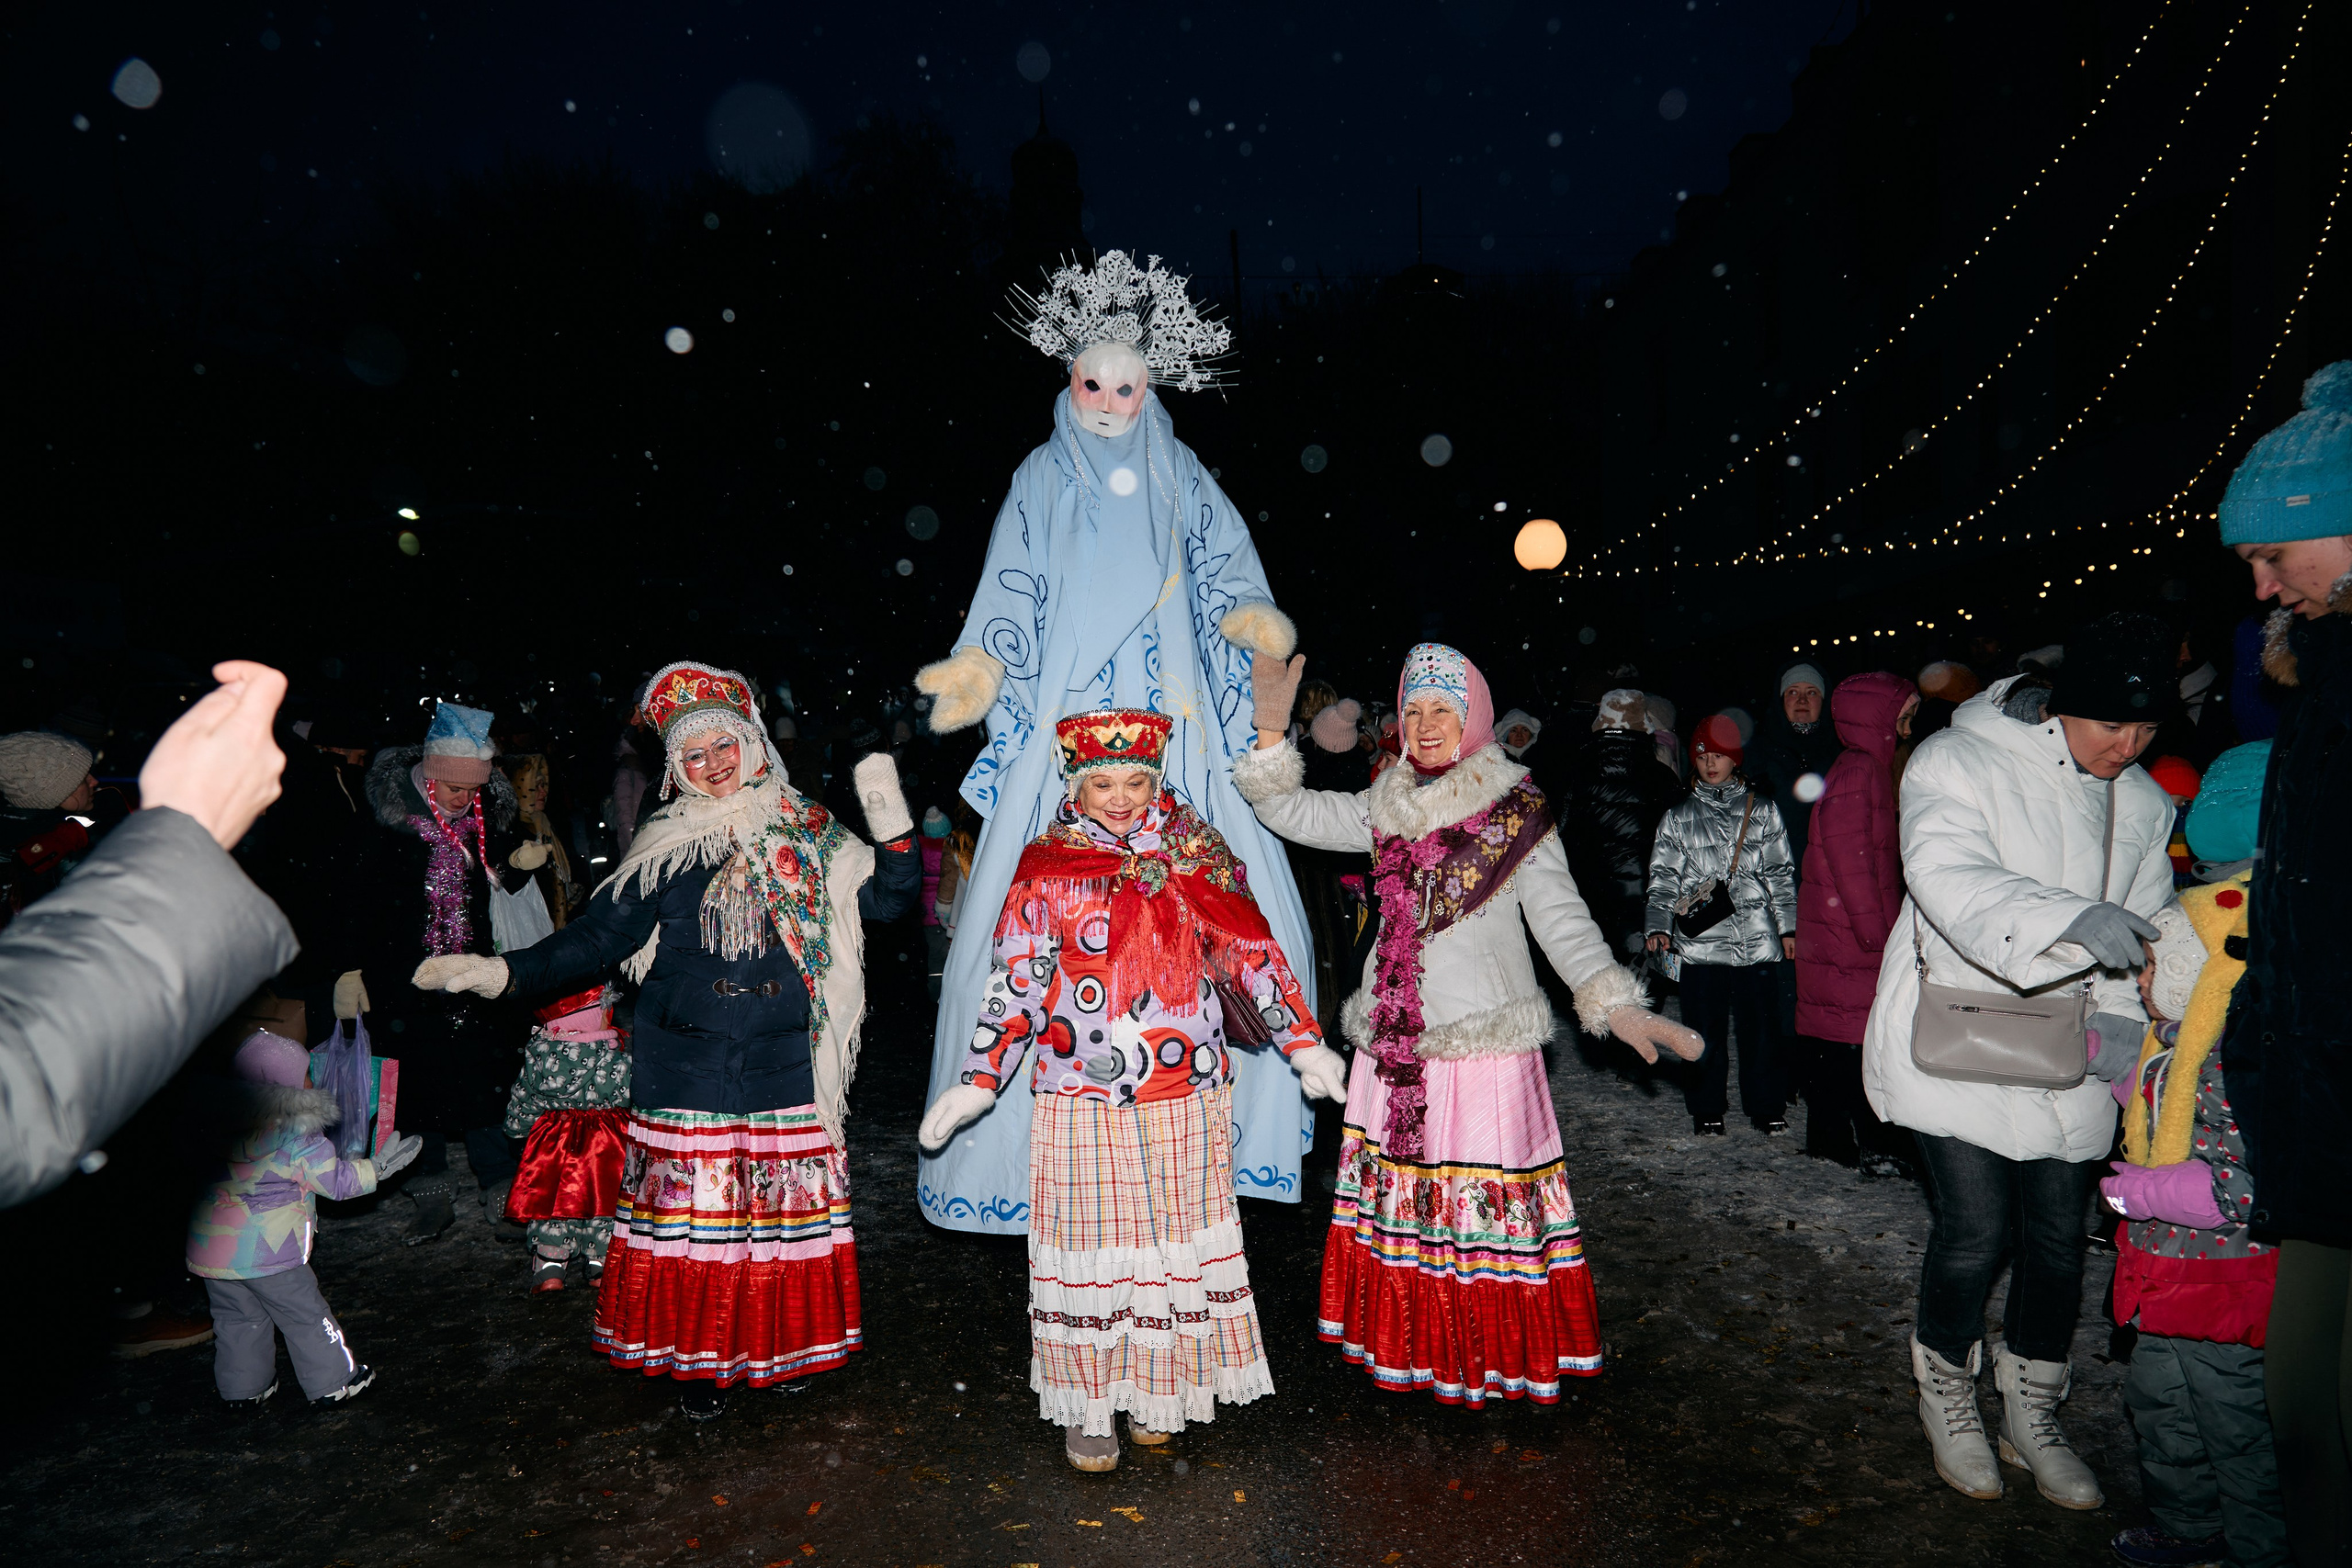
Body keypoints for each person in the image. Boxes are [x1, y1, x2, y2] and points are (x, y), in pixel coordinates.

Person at [911, 251, 1317, 1234]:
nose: (1108, 402)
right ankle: (1027, 1115)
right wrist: (981, 667)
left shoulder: (1183, 473)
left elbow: (1225, 561)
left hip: (1171, 717)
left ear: (1150, 389)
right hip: (1067, 717)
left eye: (1127, 387)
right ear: (1068, 382)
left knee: (1218, 889)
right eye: (1092, 385)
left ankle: (1210, 1103)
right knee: (1034, 896)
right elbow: (1011, 582)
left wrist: (1251, 617)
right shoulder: (1041, 475)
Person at [415, 661, 919, 1420]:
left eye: (723, 746)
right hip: (686, 1066)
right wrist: (501, 973)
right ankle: (702, 1362)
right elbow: (595, 937)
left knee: (777, 1224)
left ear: (750, 745)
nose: (712, 764)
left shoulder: (808, 830)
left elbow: (885, 900)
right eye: (694, 754)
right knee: (700, 1226)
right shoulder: (664, 842)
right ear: (676, 768)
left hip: (784, 1063)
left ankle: (778, 1351)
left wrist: (891, 826)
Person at [1233, 642, 1702, 1408]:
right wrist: (1270, 734)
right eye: (1412, 709)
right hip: (1396, 1044)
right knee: (1408, 1211)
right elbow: (1292, 811)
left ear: (1473, 718)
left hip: (1483, 1045)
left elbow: (1561, 915)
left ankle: (1485, 1356)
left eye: (1441, 709)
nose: (1423, 724)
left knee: (1478, 1212)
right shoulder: (1386, 801)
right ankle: (1413, 1347)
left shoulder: (1514, 807)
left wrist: (1609, 998)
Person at [918, 708, 1347, 1472]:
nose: (1121, 796)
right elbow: (1016, 983)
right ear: (1077, 781)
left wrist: (1304, 1041)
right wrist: (978, 1080)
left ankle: (1158, 1389)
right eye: (1104, 781)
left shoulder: (1194, 854)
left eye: (1137, 780)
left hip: (1186, 1095)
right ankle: (1090, 1408)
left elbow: (1253, 953)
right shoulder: (1046, 866)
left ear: (1157, 777)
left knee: (1166, 1251)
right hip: (1083, 1099)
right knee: (1094, 1249)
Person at [1861, 613, 2176, 1510]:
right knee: (1973, 1229)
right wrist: (2062, 918)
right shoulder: (1956, 761)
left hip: (2067, 1042)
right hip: (1956, 1030)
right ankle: (1947, 1397)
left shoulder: (2144, 804)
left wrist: (2119, 1020)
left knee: (2053, 1242)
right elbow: (1947, 877)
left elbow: (2140, 929)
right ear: (2060, 709)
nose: (2128, 745)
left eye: (2148, 729)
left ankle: (2032, 1411)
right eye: (2112, 723)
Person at [0, 660, 297, 1209]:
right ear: (47, 793)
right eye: (78, 778)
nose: (95, 780)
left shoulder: (80, 828)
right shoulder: (37, 860)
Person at [2218, 356, 2352, 1565]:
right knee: (2303, 1417)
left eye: (2277, 555)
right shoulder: (2325, 694)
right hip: (2318, 1129)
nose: (2263, 584)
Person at [2102, 879, 2288, 1568]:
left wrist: (2146, 1192)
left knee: (2234, 1423)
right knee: (2160, 1407)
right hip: (2162, 1276)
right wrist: (2114, 1067)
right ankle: (2187, 1524)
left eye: (2155, 966)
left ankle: (2260, 1546)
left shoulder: (2234, 1063)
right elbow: (2160, 1103)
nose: (2143, 979)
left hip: (2220, 1284)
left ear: (2195, 970)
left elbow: (2242, 1184)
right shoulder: (2175, 1045)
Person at [344, 701, 540, 1242]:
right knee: (417, 1085)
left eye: (472, 789)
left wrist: (515, 866)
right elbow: (355, 903)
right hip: (404, 979)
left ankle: (499, 1184)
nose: (463, 798)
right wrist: (350, 969)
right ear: (429, 775)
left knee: (485, 1077)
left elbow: (497, 874)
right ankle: (430, 1194)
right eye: (453, 787)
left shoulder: (476, 819)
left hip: (472, 974)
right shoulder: (386, 827)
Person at [186, 1030, 421, 1405]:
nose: (312, 1080)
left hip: (213, 1251)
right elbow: (337, 1183)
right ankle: (334, 1382)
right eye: (307, 1074)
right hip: (270, 1252)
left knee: (237, 1321)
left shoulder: (208, 1125)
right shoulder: (297, 1137)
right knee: (305, 1316)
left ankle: (244, 1390)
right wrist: (377, 1169)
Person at [1643, 716, 1798, 1136]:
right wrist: (1658, 926)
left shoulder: (1762, 810)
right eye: (1703, 756)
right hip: (1700, 944)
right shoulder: (1677, 817)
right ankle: (1707, 1107)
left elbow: (1780, 873)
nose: (1711, 764)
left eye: (1720, 756)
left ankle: (1767, 1106)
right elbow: (1663, 878)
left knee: (1762, 1030)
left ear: (1735, 760)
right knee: (1702, 1031)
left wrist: (1789, 929)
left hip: (1756, 940)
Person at [1794, 671, 1917, 1171]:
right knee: (1854, 1043)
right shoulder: (1860, 771)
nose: (1909, 723)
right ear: (1878, 718)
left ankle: (1835, 1137)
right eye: (1903, 713)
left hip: (1842, 930)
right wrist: (1876, 935)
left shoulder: (1861, 767)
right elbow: (1853, 859)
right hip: (1848, 934)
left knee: (1841, 1038)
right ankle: (1867, 1141)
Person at [500, 985, 632, 1293]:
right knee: (605, 1205)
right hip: (607, 1144)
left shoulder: (539, 1056)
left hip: (554, 1142)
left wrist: (517, 1129)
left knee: (553, 1205)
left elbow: (524, 1097)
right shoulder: (617, 1059)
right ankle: (602, 1263)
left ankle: (550, 1268)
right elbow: (633, 1095)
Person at [1560, 689, 1683, 963]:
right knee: (1643, 984)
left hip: (1590, 899)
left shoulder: (1575, 773)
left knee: (1597, 976)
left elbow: (1563, 836)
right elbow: (1679, 843)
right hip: (1645, 901)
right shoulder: (1662, 778)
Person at [1750, 661, 1843, 870]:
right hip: (1776, 877)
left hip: (1830, 873)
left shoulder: (1840, 753)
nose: (1802, 699)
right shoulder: (1757, 754)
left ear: (1824, 701)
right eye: (1793, 691)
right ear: (1781, 700)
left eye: (1811, 693)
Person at [503, 753, 581, 927]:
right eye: (535, 786)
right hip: (529, 926)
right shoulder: (510, 830)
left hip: (553, 926)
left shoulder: (544, 822)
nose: (543, 792)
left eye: (544, 785)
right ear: (520, 787)